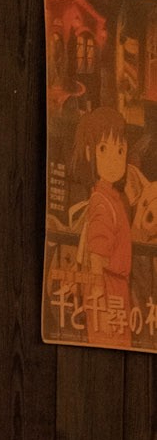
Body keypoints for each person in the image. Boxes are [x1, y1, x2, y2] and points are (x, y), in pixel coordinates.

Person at [72, 105, 134, 348]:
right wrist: (98, 298)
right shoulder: (102, 203)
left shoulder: (110, 198)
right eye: (104, 149)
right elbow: (97, 258)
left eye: (120, 150)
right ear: (90, 152)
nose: (113, 159)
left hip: (115, 289)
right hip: (107, 291)